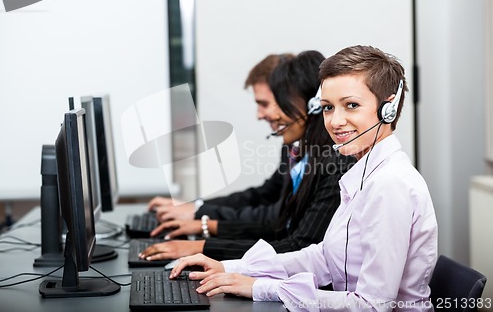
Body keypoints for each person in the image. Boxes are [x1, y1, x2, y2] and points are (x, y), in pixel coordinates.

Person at [169, 45, 439, 311]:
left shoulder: (389, 184)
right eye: (328, 108)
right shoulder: (363, 174)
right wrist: (232, 268)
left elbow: (372, 305)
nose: (335, 121)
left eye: (351, 105)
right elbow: (323, 258)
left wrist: (261, 287)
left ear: (387, 109)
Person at [139, 50, 355, 261]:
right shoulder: (301, 150)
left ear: (311, 105)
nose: (261, 115)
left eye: (267, 103)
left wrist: (202, 239)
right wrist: (200, 217)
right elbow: (276, 216)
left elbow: (297, 244)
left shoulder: (336, 163)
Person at [147, 53, 295, 223]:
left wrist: (202, 219)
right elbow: (264, 195)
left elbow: (274, 217)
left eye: (264, 104)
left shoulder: (319, 153)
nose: (259, 115)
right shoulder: (292, 146)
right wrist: (196, 208)